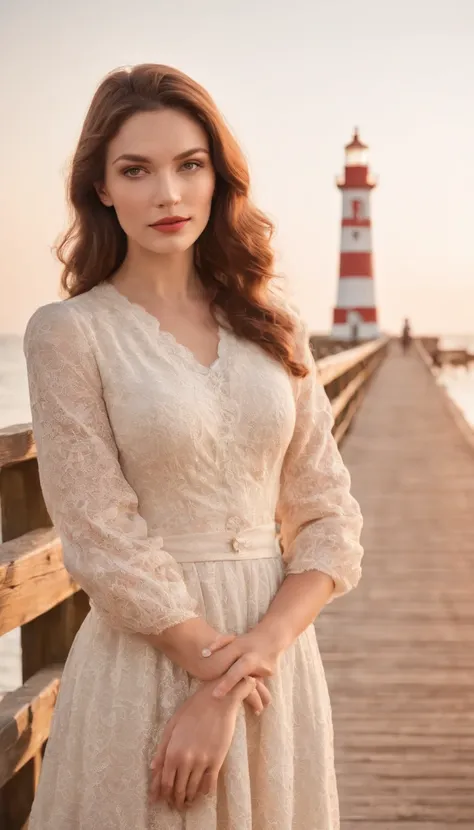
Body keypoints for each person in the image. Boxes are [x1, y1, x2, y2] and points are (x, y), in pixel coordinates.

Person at [23, 64, 363, 830]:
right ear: (102, 188)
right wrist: (210, 672)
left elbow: (329, 517)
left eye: (189, 165)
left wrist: (245, 668)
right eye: (136, 170)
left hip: (273, 666)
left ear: (219, 176)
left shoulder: (272, 321)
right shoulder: (70, 333)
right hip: (145, 661)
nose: (168, 195)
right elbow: (100, 536)